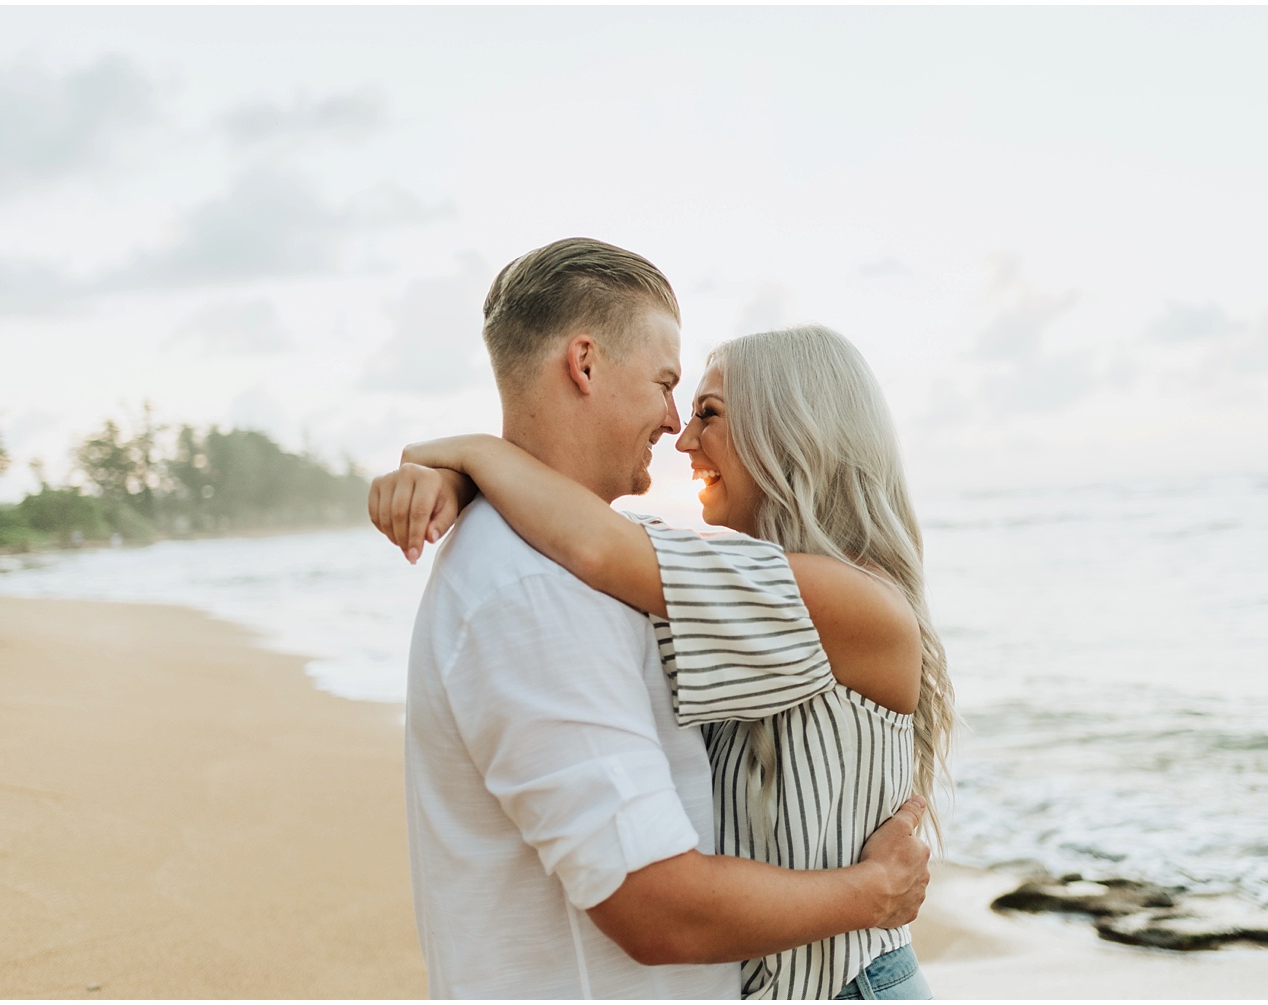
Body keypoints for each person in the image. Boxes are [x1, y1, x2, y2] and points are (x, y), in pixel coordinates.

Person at [378, 238, 931, 1000]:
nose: (679, 432)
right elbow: (603, 548)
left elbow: (606, 547)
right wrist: (472, 473)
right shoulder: (555, 580)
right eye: (671, 389)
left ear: (788, 434)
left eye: (705, 409)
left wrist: (473, 458)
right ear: (585, 365)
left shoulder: (849, 602)